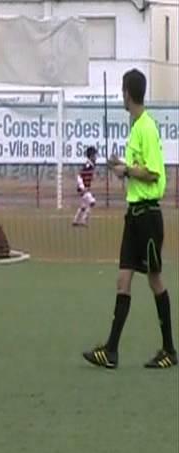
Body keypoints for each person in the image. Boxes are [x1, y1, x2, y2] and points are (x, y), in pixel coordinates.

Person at [83, 69, 175, 369]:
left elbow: (153, 173)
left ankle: (169, 350)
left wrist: (126, 171)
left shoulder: (146, 127)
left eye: (121, 92)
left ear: (127, 93)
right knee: (123, 279)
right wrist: (121, 166)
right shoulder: (136, 127)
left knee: (154, 280)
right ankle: (111, 351)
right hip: (133, 216)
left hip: (148, 216)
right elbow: (138, 169)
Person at [72, 146, 97, 227]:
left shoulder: (91, 165)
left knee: (83, 206)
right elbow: (79, 176)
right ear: (91, 156)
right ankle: (84, 220)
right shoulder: (88, 165)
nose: (95, 157)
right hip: (83, 189)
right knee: (92, 202)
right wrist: (83, 188)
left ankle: (75, 220)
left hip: (85, 188)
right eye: (94, 155)